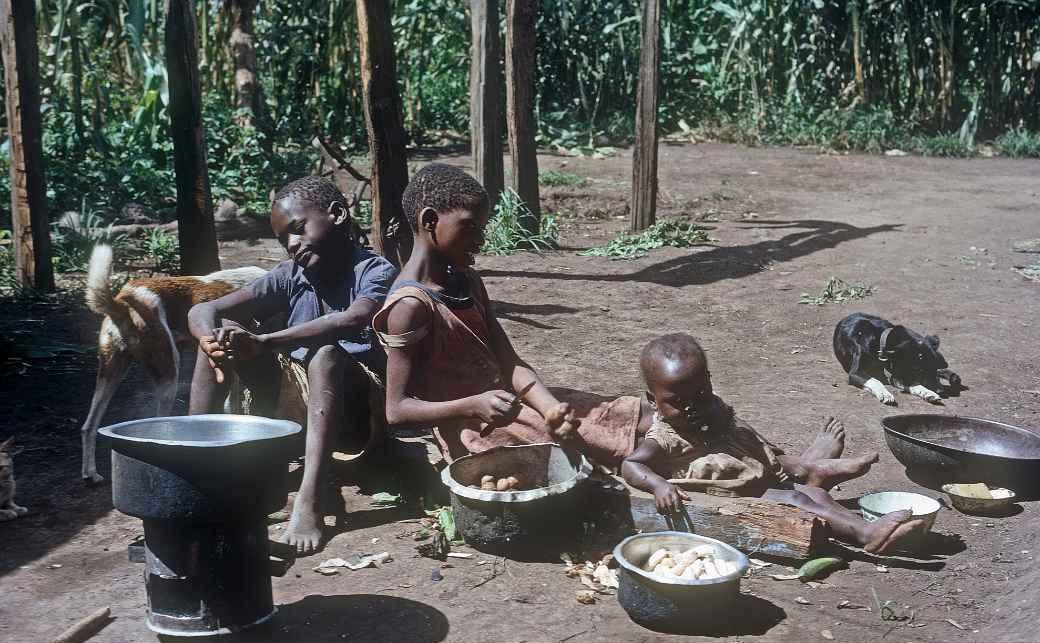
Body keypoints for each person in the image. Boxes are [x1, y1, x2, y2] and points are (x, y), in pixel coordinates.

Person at [373, 162, 652, 466]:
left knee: (633, 415)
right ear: (429, 221)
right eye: (471, 228)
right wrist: (473, 405)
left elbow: (510, 362)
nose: (481, 241)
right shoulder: (409, 307)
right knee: (606, 449)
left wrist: (549, 407)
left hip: (512, 402)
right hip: (477, 430)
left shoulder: (468, 281)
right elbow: (397, 410)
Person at [187, 176, 398, 554]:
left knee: (326, 353)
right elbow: (205, 309)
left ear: (337, 214)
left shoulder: (375, 271)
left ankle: (310, 498)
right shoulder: (291, 276)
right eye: (283, 239)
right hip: (299, 408)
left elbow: (351, 319)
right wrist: (211, 340)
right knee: (221, 336)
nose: (292, 245)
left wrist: (265, 342)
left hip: (357, 415)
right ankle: (192, 473)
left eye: (298, 230)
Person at [620, 333, 922, 554]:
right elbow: (632, 464)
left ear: (709, 381)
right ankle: (865, 534)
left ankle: (838, 501)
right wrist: (659, 485)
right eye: (677, 402)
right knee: (797, 501)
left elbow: (736, 431)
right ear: (653, 401)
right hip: (733, 493)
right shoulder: (664, 436)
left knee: (812, 494)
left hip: (754, 477)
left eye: (700, 393)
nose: (691, 407)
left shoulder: (708, 407)